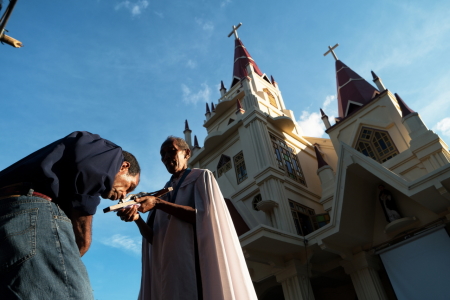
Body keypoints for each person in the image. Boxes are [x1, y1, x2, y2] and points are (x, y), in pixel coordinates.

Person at [0, 131, 140, 300]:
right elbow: (90, 172)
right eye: (129, 186)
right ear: (124, 166)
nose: (124, 194)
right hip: (31, 209)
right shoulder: (110, 153)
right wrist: (83, 241)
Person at [117, 136, 257, 300]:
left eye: (172, 151)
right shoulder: (161, 193)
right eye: (163, 154)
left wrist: (159, 203)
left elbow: (209, 218)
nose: (167, 157)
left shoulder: (201, 177)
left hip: (195, 263)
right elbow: (153, 238)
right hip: (169, 272)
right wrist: (136, 218)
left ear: (187, 153)